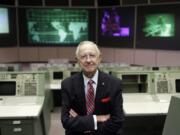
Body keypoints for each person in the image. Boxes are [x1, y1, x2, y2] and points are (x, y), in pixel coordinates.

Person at [61, 41, 124, 135]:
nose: (88, 60)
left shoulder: (114, 83)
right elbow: (66, 121)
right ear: (77, 60)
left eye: (92, 55)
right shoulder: (68, 84)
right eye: (83, 56)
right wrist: (97, 119)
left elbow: (118, 120)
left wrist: (88, 129)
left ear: (99, 58)